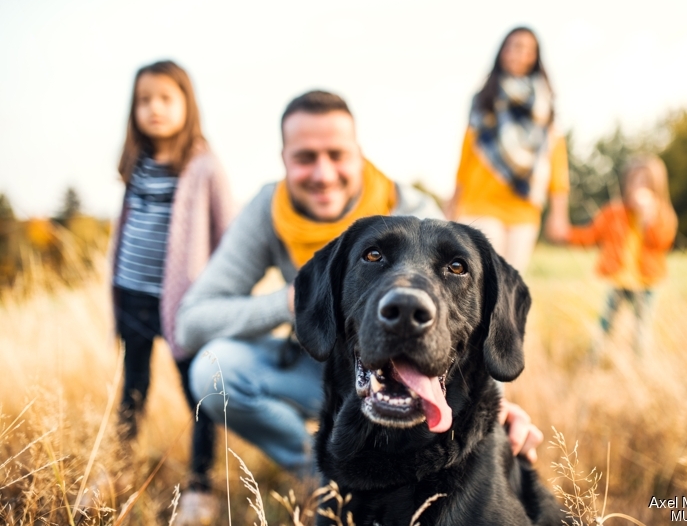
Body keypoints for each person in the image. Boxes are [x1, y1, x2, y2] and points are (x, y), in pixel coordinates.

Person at [177, 90, 545, 507]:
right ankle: (329, 477)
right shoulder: (269, 209)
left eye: (337, 154)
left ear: (359, 154)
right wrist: (295, 302)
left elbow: (462, 312)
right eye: (305, 157)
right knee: (213, 367)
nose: (323, 172)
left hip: (415, 364)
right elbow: (191, 321)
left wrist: (497, 406)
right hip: (322, 360)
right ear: (284, 159)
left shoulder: (412, 208)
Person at [110, 60, 235, 521]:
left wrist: (220, 295)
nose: (154, 109)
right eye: (144, 100)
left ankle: (201, 484)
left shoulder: (203, 164)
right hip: (133, 296)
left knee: (199, 391)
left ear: (187, 104)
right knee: (132, 388)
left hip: (185, 307)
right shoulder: (136, 163)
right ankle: (118, 469)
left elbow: (229, 234)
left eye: (165, 99)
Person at [449, 26, 571, 272]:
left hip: (524, 208)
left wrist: (559, 213)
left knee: (511, 283)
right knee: (482, 276)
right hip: (480, 203)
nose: (519, 53)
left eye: (527, 49)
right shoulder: (484, 99)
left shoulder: (545, 106)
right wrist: (453, 202)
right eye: (513, 46)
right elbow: (467, 155)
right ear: (502, 52)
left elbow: (556, 159)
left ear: (535, 58)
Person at [562, 154, 678, 354]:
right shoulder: (613, 213)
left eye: (645, 181)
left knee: (642, 327)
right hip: (619, 280)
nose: (638, 187)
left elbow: (663, 242)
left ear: (656, 185)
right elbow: (591, 235)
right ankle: (594, 358)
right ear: (626, 184)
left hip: (646, 282)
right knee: (606, 323)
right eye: (634, 181)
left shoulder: (662, 214)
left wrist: (648, 218)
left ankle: (640, 363)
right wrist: (566, 234)